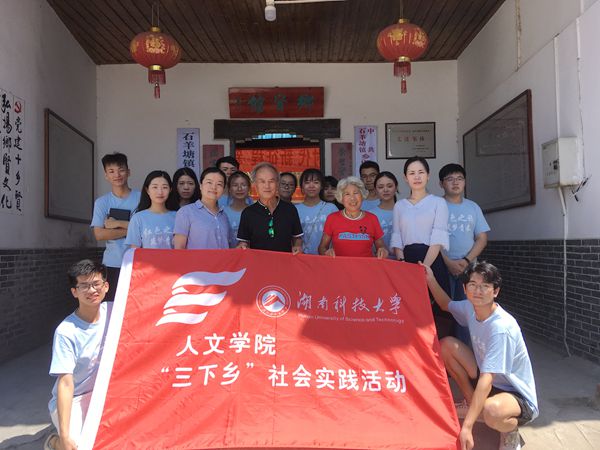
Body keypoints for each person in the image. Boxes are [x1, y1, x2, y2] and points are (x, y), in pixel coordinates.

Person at [423, 261, 538, 450]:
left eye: (485, 286)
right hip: (487, 375)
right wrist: (429, 277)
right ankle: (472, 404)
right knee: (446, 346)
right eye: (473, 285)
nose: (478, 291)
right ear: (465, 289)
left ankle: (510, 431)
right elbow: (445, 304)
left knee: (492, 412)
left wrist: (467, 427)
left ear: (495, 291)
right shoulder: (470, 307)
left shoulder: (501, 327)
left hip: (515, 394)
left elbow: (486, 379)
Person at [45, 260, 113, 450]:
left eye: (96, 284)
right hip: (76, 398)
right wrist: (65, 436)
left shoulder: (115, 311)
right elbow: (65, 384)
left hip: (106, 392)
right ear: (74, 292)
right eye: (84, 286)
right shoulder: (66, 332)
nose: (91, 290)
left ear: (106, 286)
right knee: (79, 446)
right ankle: (54, 441)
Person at [390, 156, 453, 338]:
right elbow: (397, 237)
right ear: (405, 177)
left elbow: (438, 237)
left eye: (421, 172)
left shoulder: (438, 202)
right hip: (406, 263)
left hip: (431, 262)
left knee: (436, 312)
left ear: (428, 175)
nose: (416, 177)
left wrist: (424, 268)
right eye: (412, 173)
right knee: (408, 311)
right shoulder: (399, 206)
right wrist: (403, 263)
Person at [440, 163, 491, 345]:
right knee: (443, 311)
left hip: (469, 269)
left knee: (468, 311)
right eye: (450, 179)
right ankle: (445, 353)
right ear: (441, 184)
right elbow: (429, 239)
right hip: (441, 267)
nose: (455, 183)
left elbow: (482, 238)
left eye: (459, 178)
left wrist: (466, 260)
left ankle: (466, 352)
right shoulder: (435, 206)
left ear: (465, 182)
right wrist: (448, 262)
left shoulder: (473, 207)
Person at [90, 152, 141, 301]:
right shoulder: (102, 202)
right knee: (112, 305)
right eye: (111, 171)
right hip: (112, 263)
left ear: (128, 172)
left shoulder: (142, 198)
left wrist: (116, 224)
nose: (117, 175)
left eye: (121, 170)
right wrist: (132, 229)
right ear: (106, 175)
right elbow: (99, 234)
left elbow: (145, 230)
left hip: (139, 263)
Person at [237, 162, 303, 253]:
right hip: (257, 261)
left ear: (277, 183)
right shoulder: (248, 213)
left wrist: (298, 246)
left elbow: (297, 238)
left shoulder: (290, 209)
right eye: (262, 181)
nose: (267, 186)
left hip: (285, 261)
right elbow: (244, 242)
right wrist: (243, 245)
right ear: (255, 185)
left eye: (271, 181)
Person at [318, 176, 388, 258]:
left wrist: (382, 250)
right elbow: (322, 248)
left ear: (362, 196)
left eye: (356, 193)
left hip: (366, 266)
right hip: (339, 266)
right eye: (347, 194)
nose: (352, 198)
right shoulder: (332, 218)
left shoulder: (372, 219)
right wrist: (326, 252)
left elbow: (381, 246)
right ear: (341, 198)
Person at [173, 167, 230, 249]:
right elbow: (179, 249)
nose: (214, 187)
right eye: (209, 182)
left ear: (223, 189)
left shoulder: (224, 216)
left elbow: (229, 246)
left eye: (219, 184)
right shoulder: (186, 212)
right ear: (200, 186)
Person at [125, 170, 177, 249]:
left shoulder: (178, 216)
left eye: (164, 187)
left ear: (170, 190)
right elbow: (134, 251)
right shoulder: (138, 218)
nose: (160, 192)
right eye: (155, 187)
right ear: (147, 190)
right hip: (146, 258)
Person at [295, 169, 338, 254]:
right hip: (302, 258)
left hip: (326, 257)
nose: (311, 186)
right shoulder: (295, 209)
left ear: (321, 186)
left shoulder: (331, 208)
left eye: (316, 182)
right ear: (302, 186)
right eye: (307, 182)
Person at [371, 171, 398, 259]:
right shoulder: (370, 215)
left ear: (396, 187)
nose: (385, 190)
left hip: (403, 262)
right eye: (380, 187)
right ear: (375, 190)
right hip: (378, 262)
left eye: (389, 186)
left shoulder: (405, 211)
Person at [223, 171, 252, 248]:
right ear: (229, 189)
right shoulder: (222, 213)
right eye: (235, 185)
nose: (239, 188)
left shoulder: (255, 212)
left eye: (243, 185)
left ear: (249, 188)